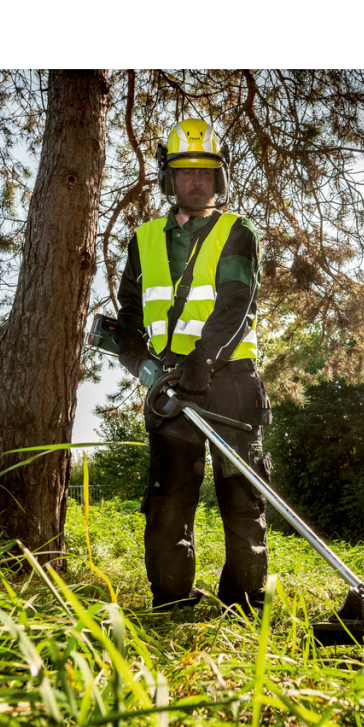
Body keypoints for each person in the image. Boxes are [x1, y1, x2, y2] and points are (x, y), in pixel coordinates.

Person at [115, 118, 272, 614]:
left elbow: (236, 302)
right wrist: (138, 360)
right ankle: (171, 600)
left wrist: (203, 360)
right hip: (169, 386)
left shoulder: (237, 231)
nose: (197, 180)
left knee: (241, 495)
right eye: (186, 171)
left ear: (218, 177)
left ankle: (243, 602)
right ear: (170, 177)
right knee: (169, 498)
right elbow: (129, 315)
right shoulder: (143, 239)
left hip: (229, 380)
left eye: (205, 171)